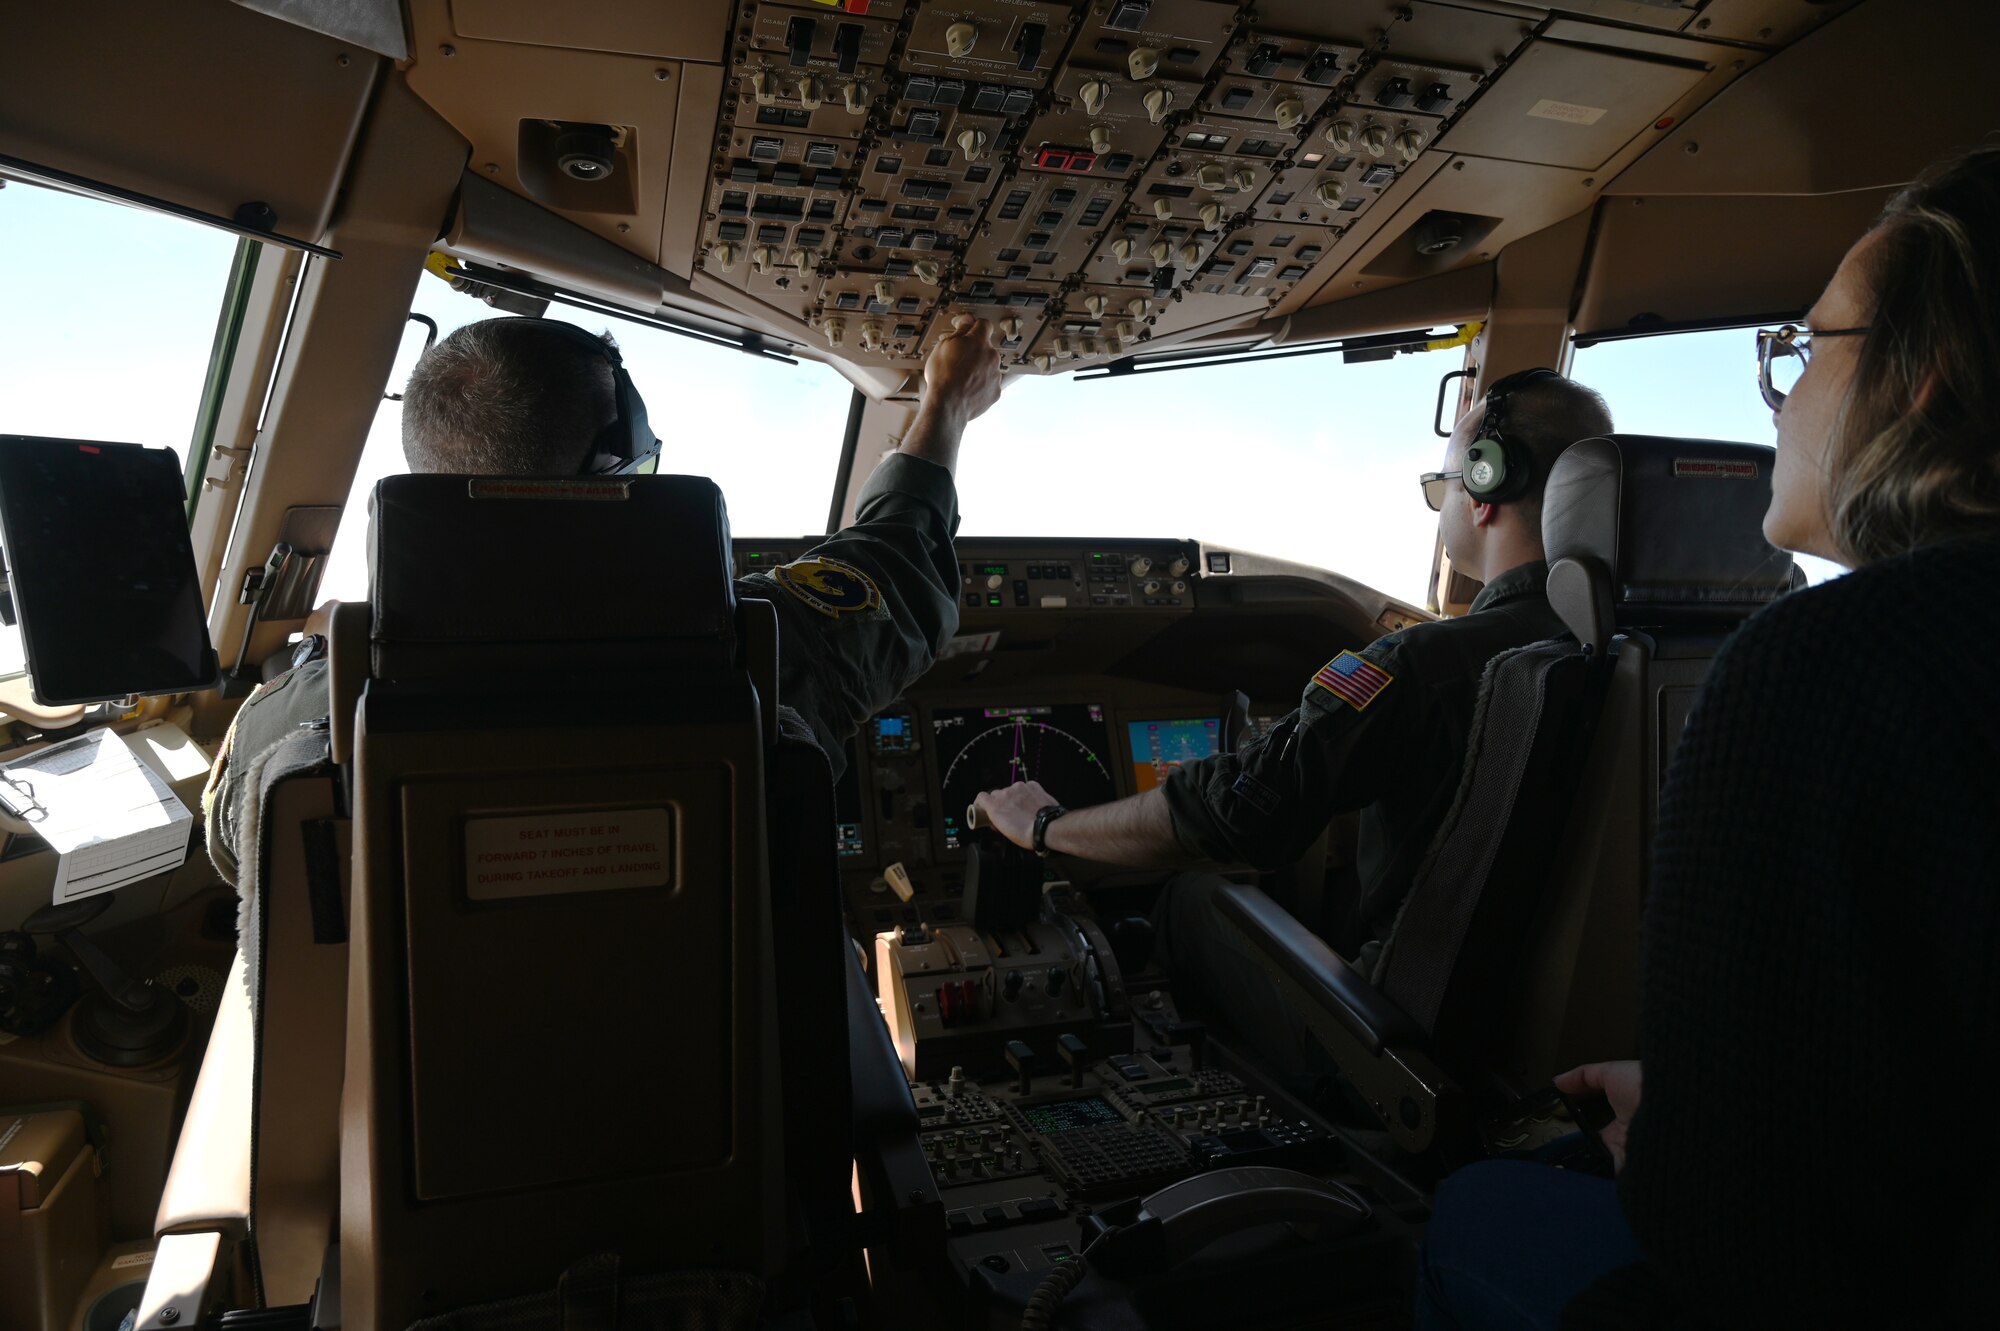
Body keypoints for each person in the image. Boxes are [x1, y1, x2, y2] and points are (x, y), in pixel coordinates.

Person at [1416, 143, 2000, 1329]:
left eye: (1802, 350)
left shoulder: (1822, 669)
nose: (1777, 398)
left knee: (1474, 1207)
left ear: (1925, 372)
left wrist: (1688, 1139)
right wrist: (1715, 1100)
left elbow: (1736, 1235)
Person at [972, 371, 1614, 1085]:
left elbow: (1240, 812)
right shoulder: (1642, 655)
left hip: (1407, 1054)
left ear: (1485, 486)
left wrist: (1045, 826)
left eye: (1444, 484)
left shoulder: (1422, 665)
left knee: (1190, 902)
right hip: (1571, 1043)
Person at [204, 312, 1002, 884]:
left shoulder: (296, 723)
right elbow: (897, 565)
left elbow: (247, 861)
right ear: (611, 486)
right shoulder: (742, 656)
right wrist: (945, 408)